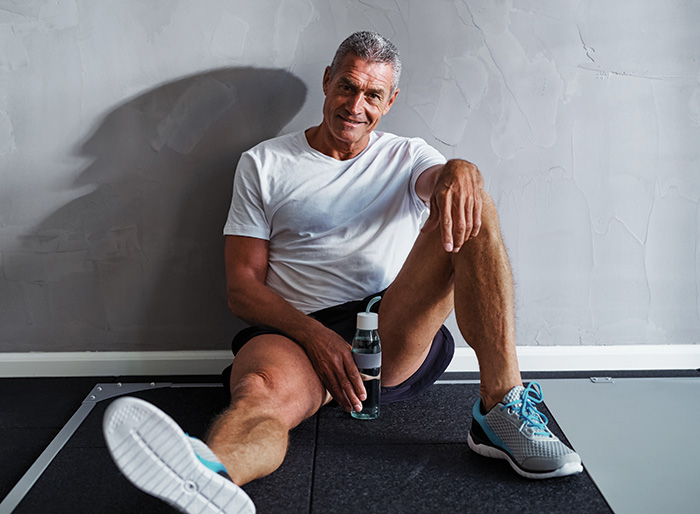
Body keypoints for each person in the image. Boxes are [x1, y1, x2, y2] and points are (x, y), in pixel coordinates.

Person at [103, 31, 582, 513]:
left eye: (372, 94)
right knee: (257, 397)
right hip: (294, 332)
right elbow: (242, 289)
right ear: (328, 81)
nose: (356, 105)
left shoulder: (408, 156)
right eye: (348, 87)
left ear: (389, 101)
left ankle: (499, 409)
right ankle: (211, 475)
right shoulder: (264, 163)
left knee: (471, 201)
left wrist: (461, 169)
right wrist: (317, 338)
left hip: (387, 327)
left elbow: (443, 185)